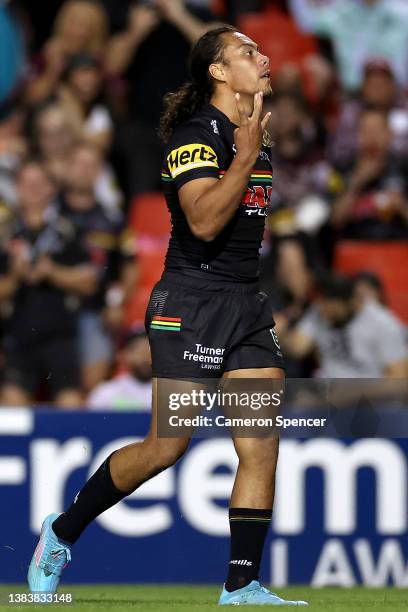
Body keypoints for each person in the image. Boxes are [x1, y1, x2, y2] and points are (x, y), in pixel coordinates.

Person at [27, 26, 308, 606]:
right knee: (166, 445)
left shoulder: (254, 131)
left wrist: (254, 145)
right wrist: (248, 156)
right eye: (247, 54)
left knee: (261, 444)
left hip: (247, 306)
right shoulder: (194, 139)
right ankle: (61, 534)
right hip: (190, 305)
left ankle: (241, 585)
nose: (264, 58)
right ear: (219, 73)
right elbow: (203, 223)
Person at [0, 160, 98, 407]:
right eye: (26, 183)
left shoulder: (68, 231)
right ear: (17, 188)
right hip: (17, 336)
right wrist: (14, 276)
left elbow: (90, 282)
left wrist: (52, 272)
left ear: (51, 188)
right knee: (12, 407)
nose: (32, 189)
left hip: (60, 336)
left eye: (39, 183)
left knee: (72, 405)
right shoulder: (5, 234)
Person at [58, 142, 137, 392]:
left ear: (99, 173)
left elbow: (131, 267)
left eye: (91, 165)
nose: (84, 171)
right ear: (67, 168)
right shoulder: (48, 211)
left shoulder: (112, 218)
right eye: (79, 164)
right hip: (51, 309)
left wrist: (117, 304)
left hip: (94, 312)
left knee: (91, 388)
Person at [282, 274, 408, 378]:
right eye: (323, 303)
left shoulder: (384, 324)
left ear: (351, 302)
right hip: (325, 393)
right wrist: (278, 333)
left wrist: (347, 396)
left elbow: (398, 378)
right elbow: (297, 347)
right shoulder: (320, 312)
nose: (325, 312)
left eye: (332, 308)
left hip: (369, 399)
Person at [289, 0, 408, 90]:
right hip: (352, 97)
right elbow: (307, 22)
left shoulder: (402, 13)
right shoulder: (342, 12)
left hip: (395, 97)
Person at [331, 109, 408, 239]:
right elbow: (335, 220)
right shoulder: (343, 169)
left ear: (390, 134)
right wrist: (357, 182)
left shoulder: (403, 168)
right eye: (365, 130)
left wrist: (401, 205)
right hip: (356, 246)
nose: (371, 137)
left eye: (377, 130)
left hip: (398, 247)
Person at [329, 58, 408, 171]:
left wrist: (387, 144)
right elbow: (337, 153)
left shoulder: (404, 109)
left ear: (392, 86)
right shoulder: (351, 111)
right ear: (364, 87)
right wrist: (366, 144)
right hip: (357, 168)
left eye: (382, 83)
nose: (377, 89)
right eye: (372, 84)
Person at [87, 328, 152, 410]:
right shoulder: (106, 393)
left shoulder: (170, 393)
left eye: (150, 350)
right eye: (139, 350)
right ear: (124, 355)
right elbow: (91, 421)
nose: (145, 356)